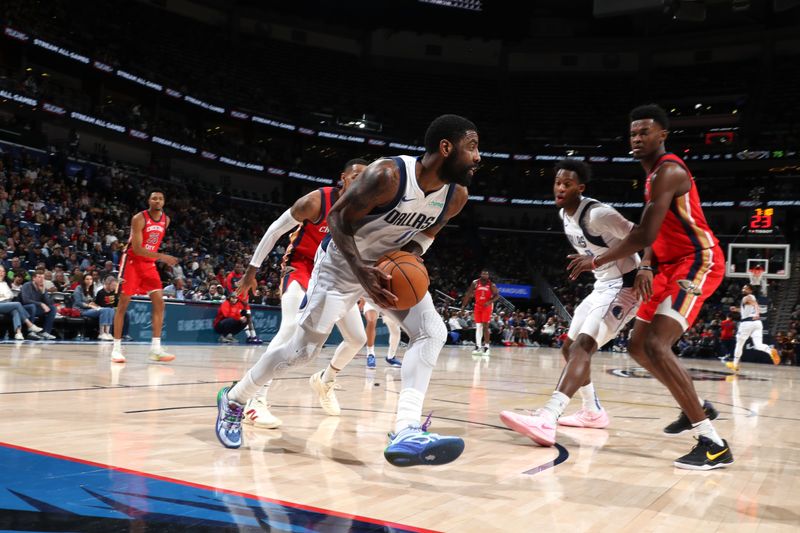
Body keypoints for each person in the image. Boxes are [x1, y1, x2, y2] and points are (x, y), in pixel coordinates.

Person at [216, 114, 479, 469]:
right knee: (302, 351)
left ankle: (406, 428)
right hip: (340, 267)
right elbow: (337, 219)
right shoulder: (388, 175)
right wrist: (361, 272)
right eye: (473, 147)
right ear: (446, 148)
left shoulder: (455, 195)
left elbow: (425, 236)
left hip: (384, 268)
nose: (478, 157)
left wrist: (404, 262)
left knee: (432, 332)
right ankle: (235, 399)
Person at [567, 104, 732, 470]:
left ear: (663, 135)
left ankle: (713, 442)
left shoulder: (669, 171)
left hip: (697, 260)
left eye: (645, 132)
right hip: (667, 265)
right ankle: (696, 407)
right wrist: (647, 266)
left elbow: (645, 233)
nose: (638, 138)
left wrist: (596, 260)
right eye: (633, 133)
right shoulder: (652, 176)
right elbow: (655, 238)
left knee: (657, 343)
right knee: (638, 346)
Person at [500, 159, 640, 443]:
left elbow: (640, 235)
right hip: (603, 284)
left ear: (581, 188)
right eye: (557, 183)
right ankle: (592, 412)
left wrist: (638, 267)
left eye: (567, 184)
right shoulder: (565, 214)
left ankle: (547, 417)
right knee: (569, 348)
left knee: (584, 346)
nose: (560, 188)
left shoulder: (598, 214)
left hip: (626, 285)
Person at [233, 159, 368, 428]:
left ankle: (325, 380)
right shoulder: (317, 201)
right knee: (291, 327)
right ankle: (255, 400)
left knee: (357, 338)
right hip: (302, 266)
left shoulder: (366, 211)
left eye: (366, 178)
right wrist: (251, 272)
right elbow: (275, 230)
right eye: (356, 176)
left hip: (335, 275)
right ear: (343, 177)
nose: (360, 182)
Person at [111, 190, 179, 363]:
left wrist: (157, 257)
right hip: (132, 262)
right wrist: (163, 257)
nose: (157, 200)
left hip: (148, 264)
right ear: (149, 201)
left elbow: (152, 245)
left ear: (164, 202)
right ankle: (116, 349)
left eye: (161, 198)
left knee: (159, 302)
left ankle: (156, 349)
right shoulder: (139, 218)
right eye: (154, 198)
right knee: (123, 305)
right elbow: (138, 249)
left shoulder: (166, 220)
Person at [726, 284, 780, 372]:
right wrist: (736, 309)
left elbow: (754, 304)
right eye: (743, 288)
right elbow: (747, 309)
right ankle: (770, 351)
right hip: (757, 323)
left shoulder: (746, 297)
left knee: (739, 344)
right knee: (758, 345)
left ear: (750, 291)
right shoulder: (752, 297)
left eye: (746, 288)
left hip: (747, 323)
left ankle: (735, 364)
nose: (743, 289)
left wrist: (758, 313)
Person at [0, 264, 44, 340]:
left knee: (15, 311)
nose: (1, 273)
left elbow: (10, 296)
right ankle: (30, 325)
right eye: (0, 271)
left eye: (3, 271)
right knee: (17, 304)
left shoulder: (6, 283)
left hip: (8, 303)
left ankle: (18, 333)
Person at [461, 269, 498, 355]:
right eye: (483, 274)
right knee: (478, 327)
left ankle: (487, 347)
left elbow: (497, 296)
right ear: (481, 275)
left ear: (488, 276)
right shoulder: (475, 283)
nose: (485, 276)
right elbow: (468, 295)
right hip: (478, 306)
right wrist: (463, 307)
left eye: (487, 275)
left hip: (487, 307)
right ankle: (478, 346)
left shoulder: (491, 285)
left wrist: (489, 302)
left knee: (485, 326)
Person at [72, 273, 115, 340]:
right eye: (87, 279)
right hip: (81, 310)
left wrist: (94, 304)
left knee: (109, 309)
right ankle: (101, 333)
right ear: (83, 280)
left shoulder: (92, 289)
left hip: (90, 309)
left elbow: (94, 301)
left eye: (91, 279)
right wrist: (89, 305)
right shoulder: (79, 288)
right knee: (104, 310)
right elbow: (78, 302)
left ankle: (108, 333)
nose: (89, 281)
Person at [362, 299, 403, 368]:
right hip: (371, 299)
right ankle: (370, 354)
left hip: (387, 301)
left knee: (396, 331)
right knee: (371, 321)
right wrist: (362, 299)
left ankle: (391, 357)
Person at [19, 271, 57, 340]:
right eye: (39, 277)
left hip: (36, 309)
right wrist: (41, 304)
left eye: (43, 278)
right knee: (32, 306)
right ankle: (31, 331)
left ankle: (45, 332)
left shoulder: (42, 287)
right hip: (24, 309)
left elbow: (48, 303)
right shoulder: (26, 285)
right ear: (34, 278)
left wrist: (43, 292)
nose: (41, 279)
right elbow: (25, 300)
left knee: (52, 308)